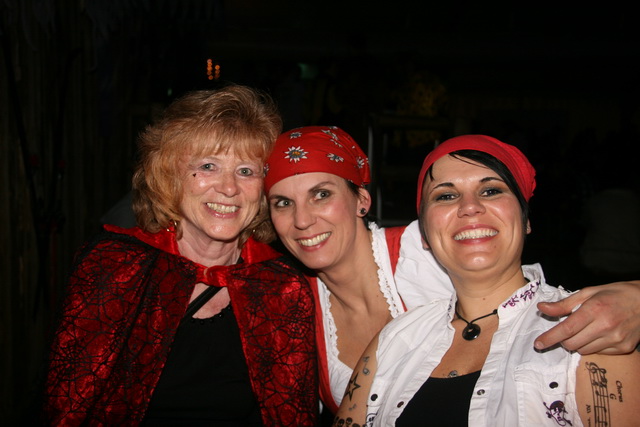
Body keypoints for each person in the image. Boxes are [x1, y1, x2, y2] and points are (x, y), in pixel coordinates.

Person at [263, 126, 640, 416]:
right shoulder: (292, 306)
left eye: (322, 194)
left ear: (362, 199)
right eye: (282, 203)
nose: (303, 219)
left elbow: (510, 280)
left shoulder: (425, 247)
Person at [43, 85, 318, 426]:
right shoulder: (113, 267)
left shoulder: (283, 288)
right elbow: (67, 409)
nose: (229, 188)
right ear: (169, 175)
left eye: (246, 171)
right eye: (208, 166)